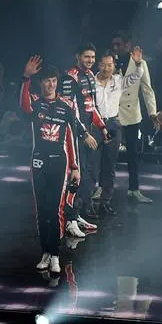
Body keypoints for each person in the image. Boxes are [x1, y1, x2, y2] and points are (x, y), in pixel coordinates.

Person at [20, 56, 98, 274]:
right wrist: (26, 78)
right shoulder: (35, 103)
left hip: (60, 164)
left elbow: (72, 139)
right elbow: (23, 105)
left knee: (55, 209)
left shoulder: (67, 106)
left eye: (54, 80)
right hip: (38, 163)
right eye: (46, 81)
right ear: (41, 83)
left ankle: (55, 254)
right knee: (42, 210)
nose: (51, 84)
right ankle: (45, 252)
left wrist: (75, 167)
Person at [59, 44, 109, 230]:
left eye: (93, 57)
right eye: (87, 56)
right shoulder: (69, 78)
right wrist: (84, 133)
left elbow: (90, 106)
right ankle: (69, 219)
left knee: (87, 174)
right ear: (77, 57)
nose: (90, 60)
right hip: (73, 134)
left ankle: (76, 214)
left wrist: (102, 128)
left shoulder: (89, 76)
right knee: (74, 175)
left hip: (87, 132)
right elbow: (69, 111)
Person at [111, 31, 160, 203]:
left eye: (119, 44)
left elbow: (147, 90)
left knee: (133, 153)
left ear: (127, 44)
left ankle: (134, 189)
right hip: (112, 113)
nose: (115, 47)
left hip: (132, 113)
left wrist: (152, 112)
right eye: (114, 44)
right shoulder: (110, 62)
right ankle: (102, 188)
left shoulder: (141, 64)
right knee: (108, 154)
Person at [92, 47, 144, 202]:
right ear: (98, 65)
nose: (107, 68)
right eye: (103, 65)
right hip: (95, 125)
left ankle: (106, 199)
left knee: (110, 164)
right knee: (93, 164)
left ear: (114, 66)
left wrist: (139, 63)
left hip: (114, 124)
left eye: (110, 65)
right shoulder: (90, 82)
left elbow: (136, 76)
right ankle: (90, 194)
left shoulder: (118, 81)